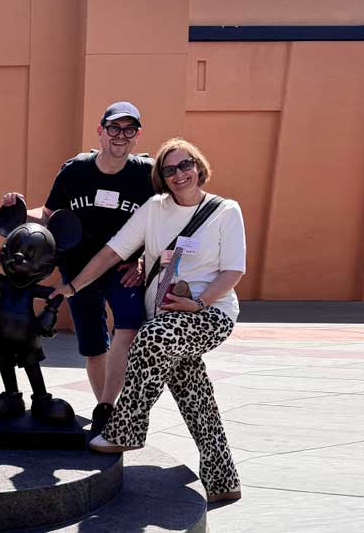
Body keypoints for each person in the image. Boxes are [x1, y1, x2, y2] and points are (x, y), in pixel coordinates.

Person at [51, 138, 246, 503]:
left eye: (185, 165)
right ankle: (223, 478)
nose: (179, 174)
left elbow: (233, 270)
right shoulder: (155, 209)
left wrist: (200, 303)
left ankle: (126, 428)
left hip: (210, 314)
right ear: (161, 177)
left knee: (151, 338)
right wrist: (74, 286)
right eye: (169, 169)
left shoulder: (225, 211)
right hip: (165, 317)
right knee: (195, 395)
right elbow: (113, 251)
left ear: (198, 166)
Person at [0, 101, 154, 434]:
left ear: (137, 135)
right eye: (114, 128)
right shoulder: (76, 170)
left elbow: (166, 222)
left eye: (129, 130)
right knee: (93, 344)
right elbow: (49, 214)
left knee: (127, 328)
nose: (120, 136)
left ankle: (107, 405)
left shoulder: (145, 174)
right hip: (77, 268)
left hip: (121, 268)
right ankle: (105, 414)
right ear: (100, 131)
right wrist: (18, 209)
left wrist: (142, 259)